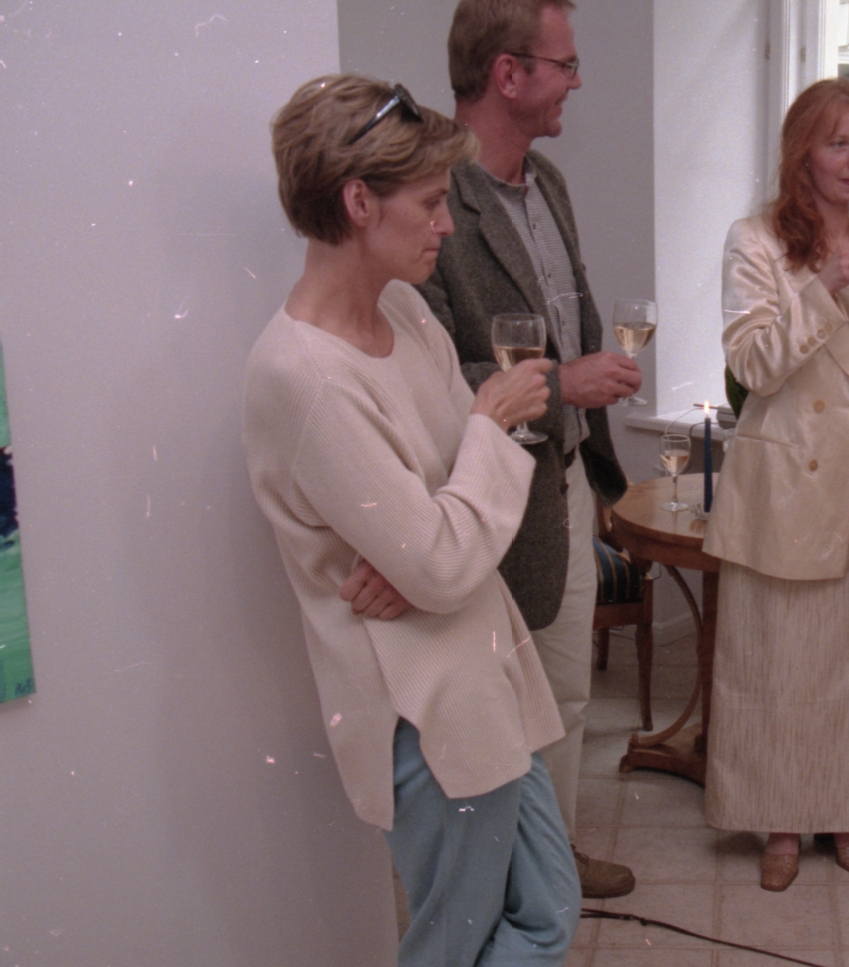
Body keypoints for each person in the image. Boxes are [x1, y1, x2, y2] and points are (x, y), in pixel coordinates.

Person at [244, 75, 578, 964]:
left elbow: (439, 527)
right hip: (424, 715)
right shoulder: (303, 377)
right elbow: (443, 544)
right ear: (359, 202)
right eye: (430, 203)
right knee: (451, 945)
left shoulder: (400, 309)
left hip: (481, 674)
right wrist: (485, 433)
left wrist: (425, 547)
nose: (446, 224)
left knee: (547, 910)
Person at [417, 0, 641, 900]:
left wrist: (587, 395)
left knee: (564, 697)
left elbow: (567, 317)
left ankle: (555, 863)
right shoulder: (429, 197)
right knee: (493, 717)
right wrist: (563, 385)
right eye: (566, 65)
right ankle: (503, 891)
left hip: (566, 484)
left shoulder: (548, 180)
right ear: (508, 74)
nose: (577, 83)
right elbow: (434, 378)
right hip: (483, 504)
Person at [701, 78, 849, 893]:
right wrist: (824, 284)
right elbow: (753, 365)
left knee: (847, 672)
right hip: (787, 489)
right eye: (839, 143)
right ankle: (779, 824)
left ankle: (844, 817)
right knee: (778, 666)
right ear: (803, 149)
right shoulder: (756, 241)